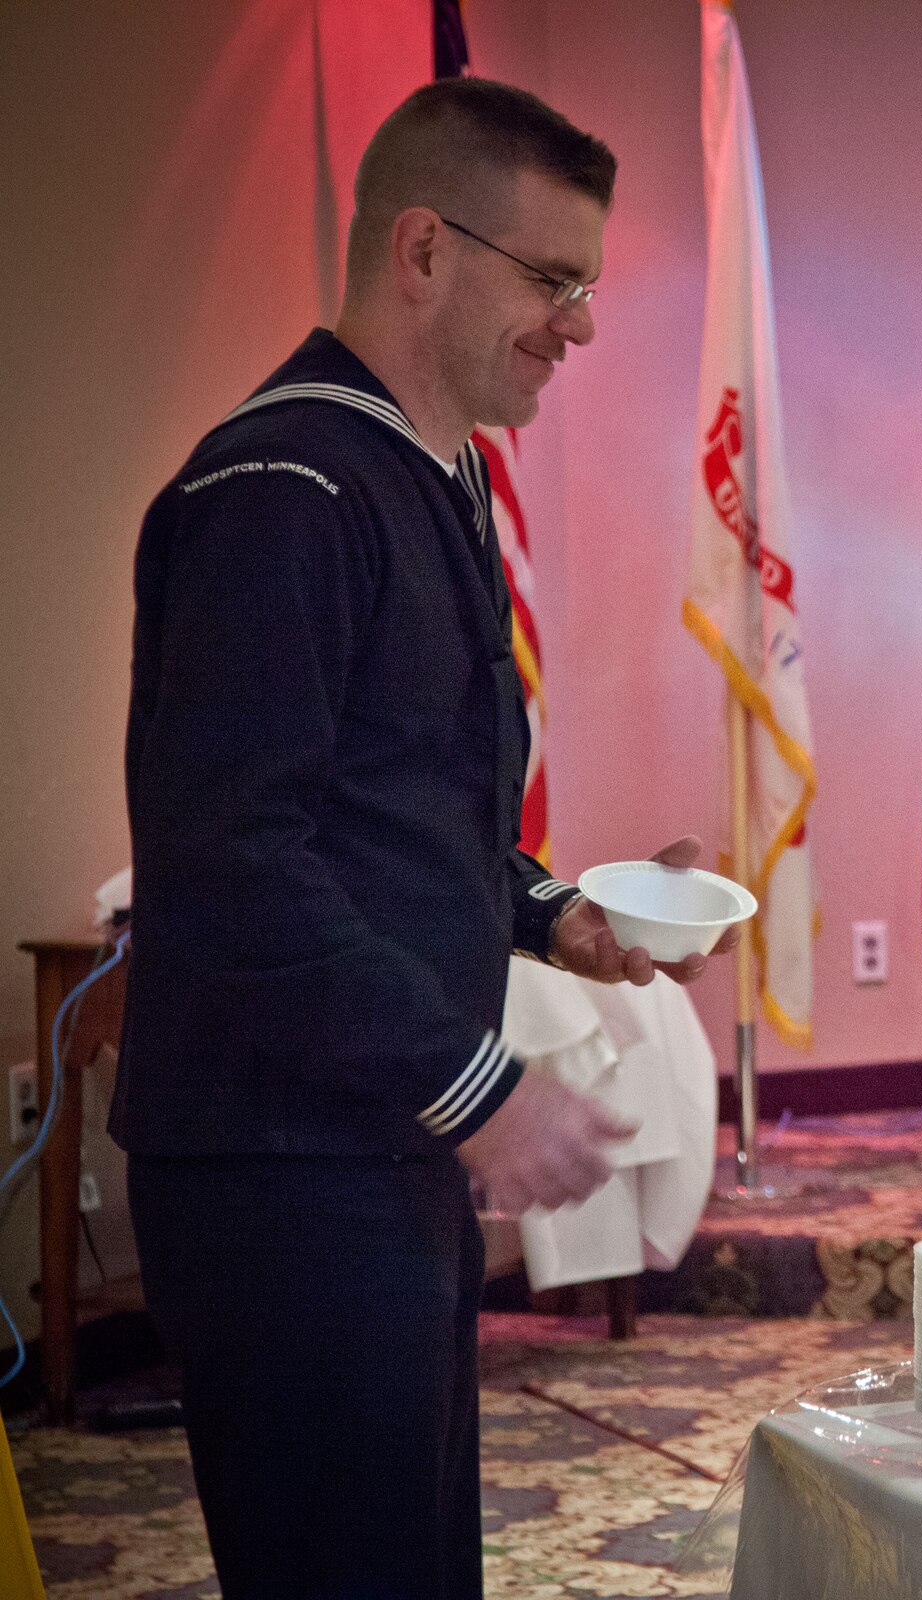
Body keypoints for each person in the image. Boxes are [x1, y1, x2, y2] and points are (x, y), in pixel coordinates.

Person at [113, 79, 728, 1598]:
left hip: (358, 1139)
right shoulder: (286, 486)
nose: (578, 324)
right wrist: (478, 1088)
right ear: (423, 250)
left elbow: (394, 803)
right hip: (281, 1163)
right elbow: (233, 861)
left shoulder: (420, 464)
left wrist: (545, 912)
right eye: (553, 280)